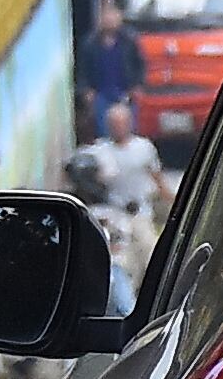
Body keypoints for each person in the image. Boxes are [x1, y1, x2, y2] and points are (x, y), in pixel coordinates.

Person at [65, 94, 167, 275]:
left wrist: (168, 198)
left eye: (121, 123)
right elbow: (76, 166)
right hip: (115, 214)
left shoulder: (143, 147)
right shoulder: (101, 151)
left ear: (129, 123)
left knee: (150, 253)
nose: (117, 127)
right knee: (122, 264)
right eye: (113, 123)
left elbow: (157, 177)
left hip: (140, 211)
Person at [82, 0, 143, 125]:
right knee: (104, 130)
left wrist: (137, 86)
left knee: (127, 128)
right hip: (101, 95)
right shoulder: (90, 44)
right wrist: (87, 90)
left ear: (119, 17)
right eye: (106, 16)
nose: (109, 20)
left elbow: (140, 65)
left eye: (113, 16)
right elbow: (83, 70)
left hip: (126, 93)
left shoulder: (129, 41)